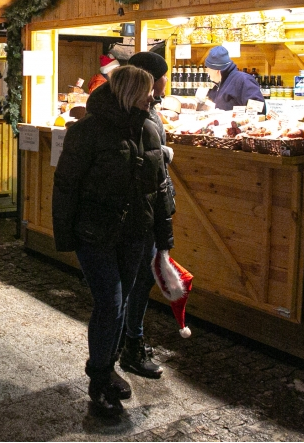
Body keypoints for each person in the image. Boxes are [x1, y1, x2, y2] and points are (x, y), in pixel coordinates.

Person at [51, 65, 167, 419]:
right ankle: (99, 379)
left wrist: (163, 236)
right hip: (96, 233)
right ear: (131, 92)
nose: (154, 96)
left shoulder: (148, 127)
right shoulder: (88, 131)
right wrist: (65, 235)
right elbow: (66, 185)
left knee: (123, 300)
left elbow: (159, 188)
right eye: (148, 90)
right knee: (110, 304)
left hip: (134, 233)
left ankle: (110, 365)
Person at [119, 52, 175, 379]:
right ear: (150, 79)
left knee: (140, 278)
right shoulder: (141, 115)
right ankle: (132, 345)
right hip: (143, 210)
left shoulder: (149, 112)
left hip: (149, 207)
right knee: (141, 278)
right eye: (163, 75)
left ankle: (127, 341)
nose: (166, 81)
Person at [203, 45, 264, 111]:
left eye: (208, 68)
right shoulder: (219, 85)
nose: (207, 71)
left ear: (216, 70)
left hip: (239, 121)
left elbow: (258, 108)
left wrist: (238, 118)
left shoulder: (243, 80)